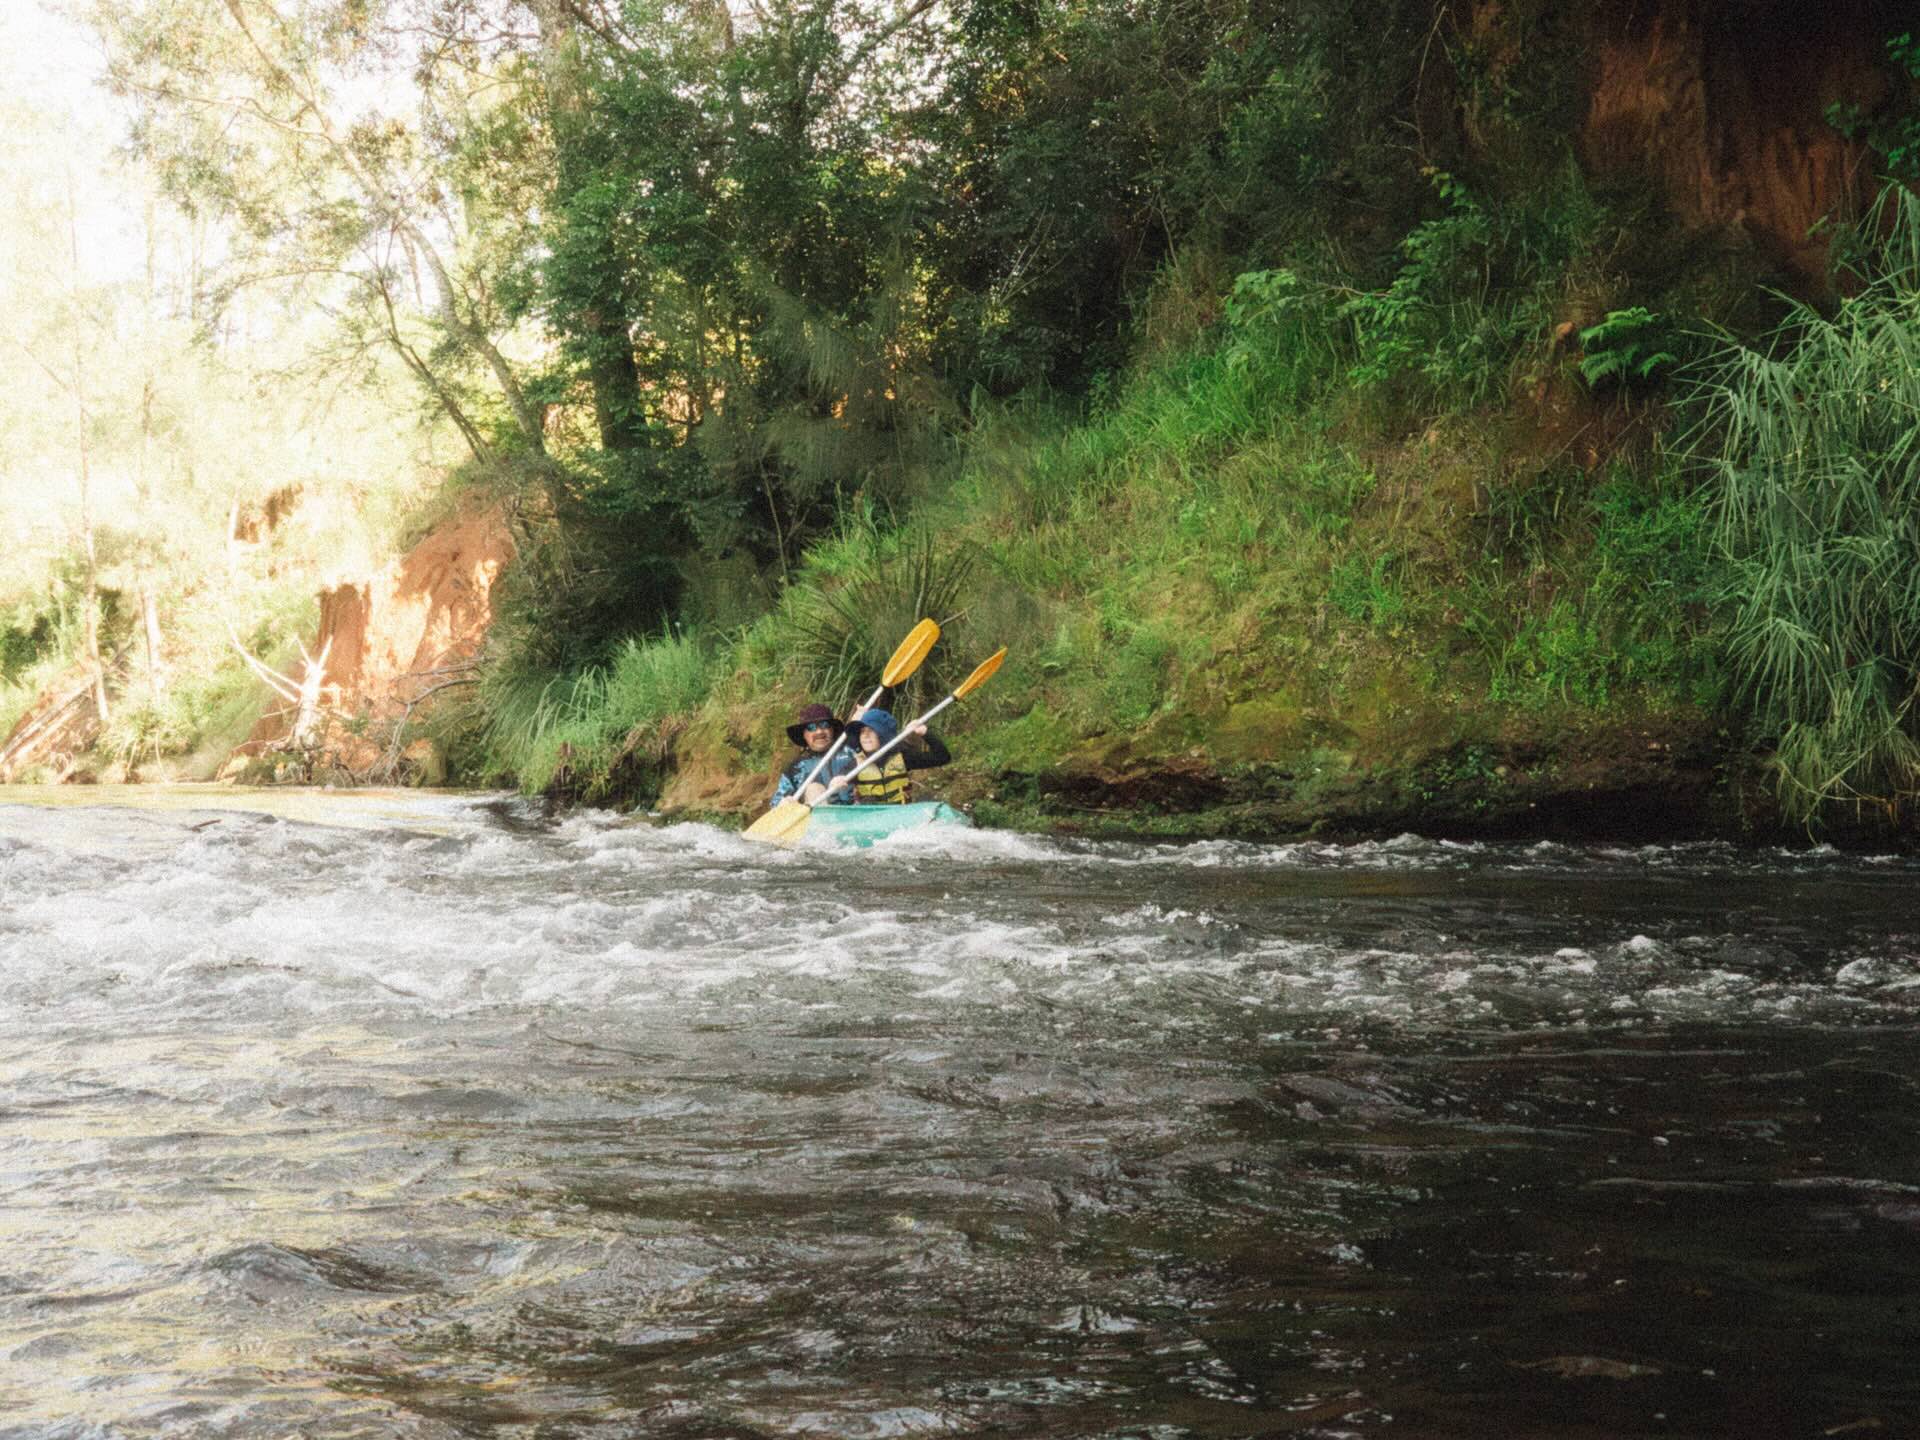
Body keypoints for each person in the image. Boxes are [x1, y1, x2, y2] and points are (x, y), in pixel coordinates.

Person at [826, 707, 950, 804]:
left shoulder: (903, 756)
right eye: (862, 731)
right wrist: (836, 781)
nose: (865, 735)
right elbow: (841, 776)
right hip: (871, 818)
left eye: (871, 730)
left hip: (900, 815)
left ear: (883, 735)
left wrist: (924, 733)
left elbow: (942, 757)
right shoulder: (857, 764)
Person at [769, 702, 857, 808]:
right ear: (804, 734)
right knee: (814, 789)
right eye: (811, 727)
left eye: (825, 725)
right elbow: (776, 802)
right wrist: (783, 803)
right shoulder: (796, 767)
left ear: (832, 730)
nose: (819, 732)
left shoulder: (851, 750)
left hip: (858, 812)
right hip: (819, 816)